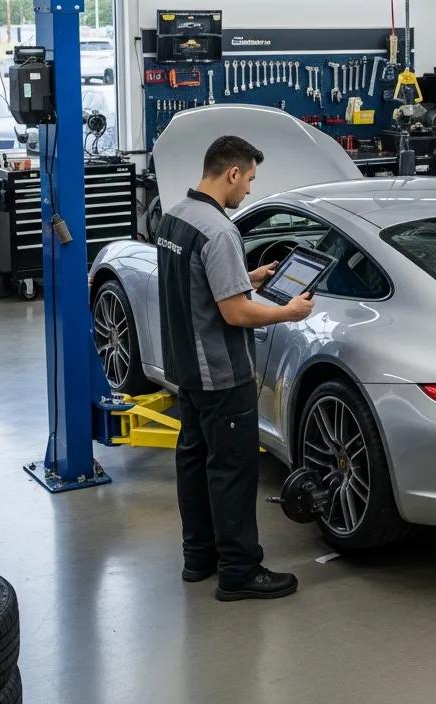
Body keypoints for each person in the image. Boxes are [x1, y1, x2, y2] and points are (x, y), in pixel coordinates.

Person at [156, 135, 315, 601]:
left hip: (186, 369)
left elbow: (200, 288)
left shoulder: (176, 217)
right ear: (231, 173)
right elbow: (235, 314)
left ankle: (198, 558)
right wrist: (291, 312)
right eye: (249, 179)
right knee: (232, 472)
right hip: (223, 375)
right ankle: (240, 572)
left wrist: (251, 277)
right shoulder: (221, 231)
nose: (248, 190)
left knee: (193, 463)